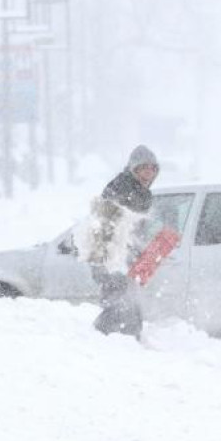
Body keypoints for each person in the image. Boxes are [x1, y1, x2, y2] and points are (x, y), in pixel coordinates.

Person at [75, 144, 160, 339]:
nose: (149, 172)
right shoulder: (121, 187)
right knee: (118, 304)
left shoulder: (143, 192)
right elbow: (103, 224)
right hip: (112, 257)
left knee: (129, 303)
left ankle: (123, 340)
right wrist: (103, 263)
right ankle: (104, 340)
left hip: (127, 257)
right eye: (144, 167)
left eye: (153, 168)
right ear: (134, 168)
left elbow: (138, 228)